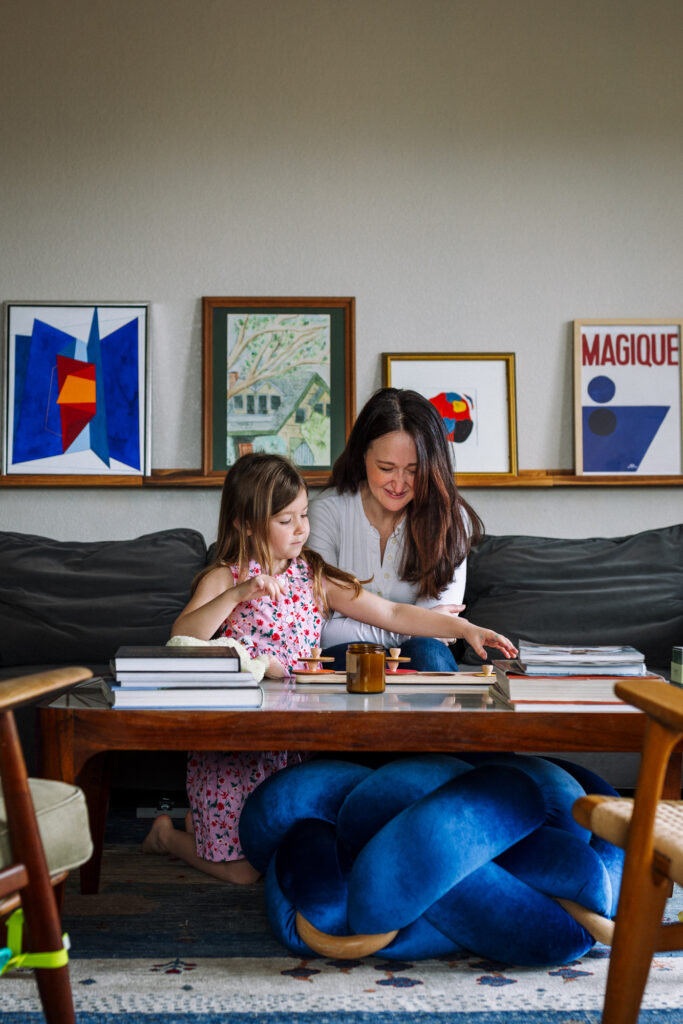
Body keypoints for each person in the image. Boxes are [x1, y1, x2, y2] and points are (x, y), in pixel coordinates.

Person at [142, 452, 515, 884]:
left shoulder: (313, 575)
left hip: (295, 743)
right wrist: (237, 594)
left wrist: (462, 627)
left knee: (283, 848)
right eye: (286, 520)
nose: (302, 528)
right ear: (246, 523)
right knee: (248, 872)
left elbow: (392, 614)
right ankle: (167, 836)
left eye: (303, 514)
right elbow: (183, 637)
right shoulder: (226, 578)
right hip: (236, 744)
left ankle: (203, 827)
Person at [308, 387, 483, 671]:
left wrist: (424, 628)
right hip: (343, 658)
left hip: (423, 657)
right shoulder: (327, 513)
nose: (399, 484)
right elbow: (319, 630)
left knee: (428, 651)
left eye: (413, 471)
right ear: (363, 455)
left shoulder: (450, 520)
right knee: (366, 657)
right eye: (386, 468)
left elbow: (440, 633)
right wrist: (410, 627)